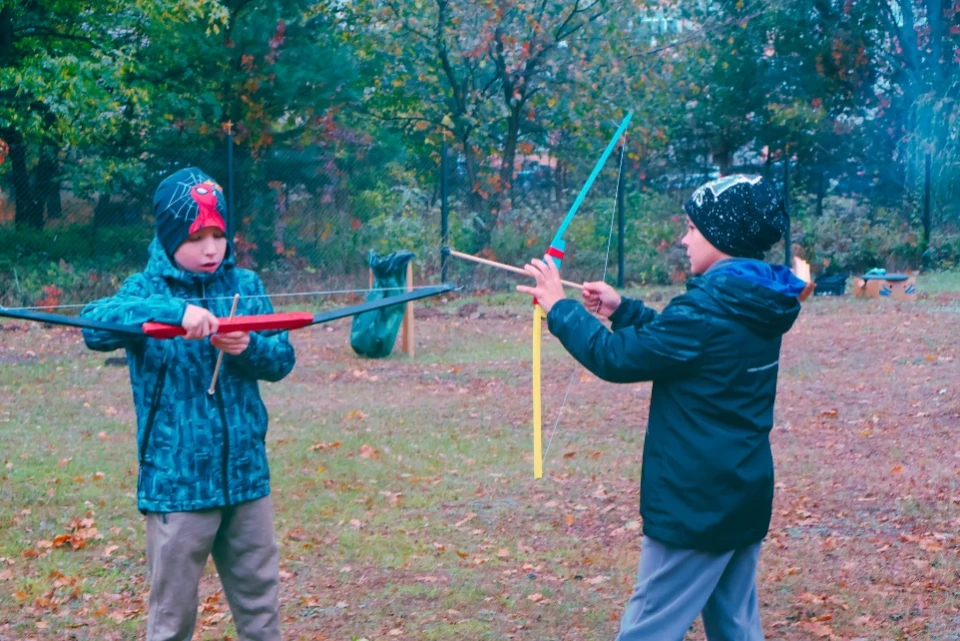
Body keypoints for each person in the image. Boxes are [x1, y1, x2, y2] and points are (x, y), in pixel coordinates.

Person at [518, 174, 806, 640]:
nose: (683, 239)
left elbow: (619, 358)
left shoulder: (707, 312)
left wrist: (559, 308)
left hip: (696, 507)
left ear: (722, 236)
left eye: (692, 228)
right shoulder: (754, 300)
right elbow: (684, 344)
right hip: (740, 495)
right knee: (735, 624)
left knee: (647, 630)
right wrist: (622, 309)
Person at [81, 167, 295, 641]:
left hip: (246, 477)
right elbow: (94, 325)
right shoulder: (144, 290)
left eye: (218, 234)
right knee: (171, 620)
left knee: (262, 613)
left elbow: (282, 359)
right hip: (176, 484)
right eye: (198, 236)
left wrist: (248, 348)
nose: (211, 248)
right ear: (170, 234)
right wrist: (174, 312)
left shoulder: (247, 285)